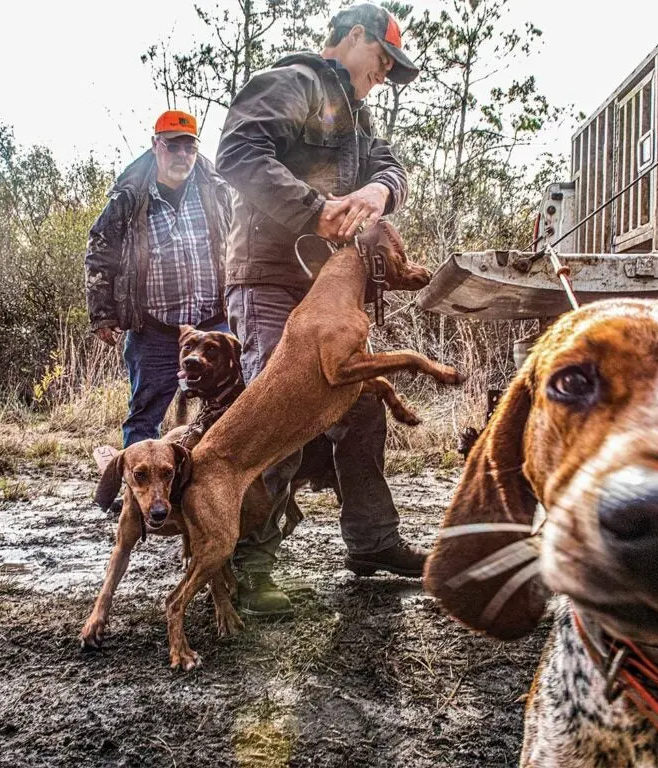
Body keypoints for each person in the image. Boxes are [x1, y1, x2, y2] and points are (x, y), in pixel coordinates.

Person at [215, 3, 425, 617]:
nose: (384, 75)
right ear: (352, 37)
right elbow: (237, 154)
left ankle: (372, 544)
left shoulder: (358, 119)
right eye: (383, 59)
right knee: (276, 416)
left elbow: (393, 167)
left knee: (361, 408)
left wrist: (379, 189)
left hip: (326, 291)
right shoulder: (294, 82)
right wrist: (315, 208)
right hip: (273, 281)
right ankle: (248, 568)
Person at [85, 110, 232, 449]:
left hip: (215, 326)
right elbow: (99, 250)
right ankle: (135, 498)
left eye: (189, 148)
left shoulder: (217, 189)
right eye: (173, 146)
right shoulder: (129, 197)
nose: (182, 156)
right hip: (155, 332)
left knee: (233, 409)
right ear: (156, 146)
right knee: (143, 418)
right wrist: (101, 313)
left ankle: (223, 493)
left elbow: (241, 241)